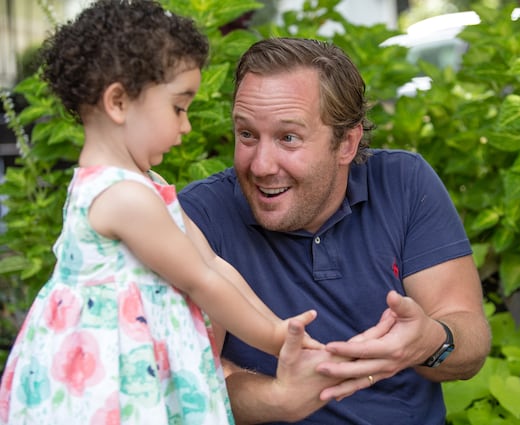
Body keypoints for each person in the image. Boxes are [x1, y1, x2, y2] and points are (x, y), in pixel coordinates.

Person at [0, 5, 322, 425]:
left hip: (140, 368)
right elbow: (201, 280)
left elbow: (212, 263)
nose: (186, 126)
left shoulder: (144, 184)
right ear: (118, 102)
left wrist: (281, 327)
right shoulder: (121, 198)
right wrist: (276, 340)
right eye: (178, 107)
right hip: (110, 379)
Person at [179, 37, 492, 425]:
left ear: (346, 142)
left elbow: (468, 338)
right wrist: (279, 398)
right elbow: (190, 383)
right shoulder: (198, 218)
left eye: (287, 137)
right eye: (247, 134)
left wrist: (429, 342)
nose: (260, 165)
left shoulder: (403, 183)